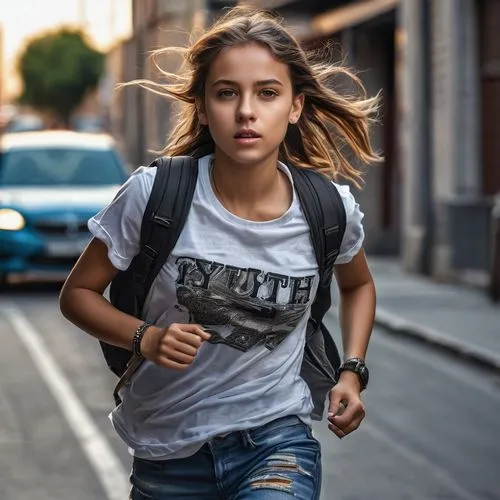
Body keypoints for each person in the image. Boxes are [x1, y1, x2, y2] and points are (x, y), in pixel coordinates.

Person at [59, 6, 378, 499]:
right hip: (168, 454)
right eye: (227, 93)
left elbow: (357, 284)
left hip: (277, 440)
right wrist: (145, 338)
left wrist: (351, 371)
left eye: (267, 93)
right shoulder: (154, 195)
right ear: (205, 109)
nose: (246, 111)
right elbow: (77, 294)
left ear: (294, 105)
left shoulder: (328, 208)